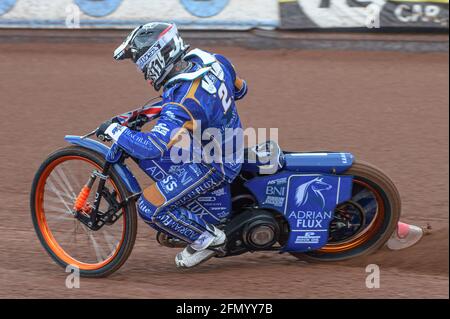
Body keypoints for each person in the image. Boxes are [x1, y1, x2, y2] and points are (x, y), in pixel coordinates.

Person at [95, 22, 248, 268]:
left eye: (142, 66)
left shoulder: (185, 99)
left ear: (156, 60)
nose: (144, 74)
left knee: (149, 206)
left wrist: (115, 131)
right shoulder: (214, 60)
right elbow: (241, 90)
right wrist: (146, 114)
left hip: (213, 162)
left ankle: (208, 239)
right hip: (227, 143)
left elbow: (152, 147)